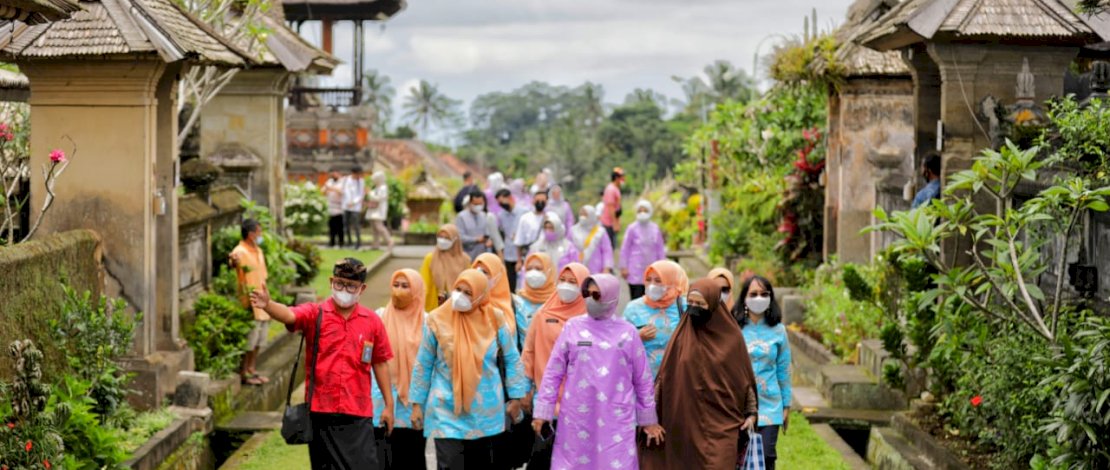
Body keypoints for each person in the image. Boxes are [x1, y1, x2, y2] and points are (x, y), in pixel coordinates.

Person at [249, 258, 395, 469]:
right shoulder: (315, 313)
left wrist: (389, 405)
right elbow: (290, 315)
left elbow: (380, 362)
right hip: (322, 410)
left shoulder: (372, 321)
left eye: (351, 286)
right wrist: (269, 305)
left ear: (362, 288)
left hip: (358, 410)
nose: (344, 290)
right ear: (331, 282)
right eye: (339, 283)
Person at [532, 273, 664, 469]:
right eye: (586, 294)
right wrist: (543, 411)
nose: (590, 300)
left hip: (616, 418)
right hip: (577, 416)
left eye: (596, 295)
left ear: (611, 297)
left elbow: (642, 379)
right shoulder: (572, 327)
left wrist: (648, 420)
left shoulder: (628, 332)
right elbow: (553, 372)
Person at [410, 270, 531, 470]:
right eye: (458, 289)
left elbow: (512, 359)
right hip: (446, 409)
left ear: (481, 295)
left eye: (468, 293)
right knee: (449, 465)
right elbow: (423, 363)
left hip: (485, 412)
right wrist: (416, 404)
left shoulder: (494, 318)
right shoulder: (436, 319)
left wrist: (516, 397)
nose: (460, 296)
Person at [639, 278, 758, 470]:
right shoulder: (681, 337)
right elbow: (664, 378)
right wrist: (650, 418)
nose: (694, 308)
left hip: (723, 424)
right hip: (685, 425)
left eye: (700, 304)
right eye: (691, 303)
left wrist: (751, 413)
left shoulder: (732, 338)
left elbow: (743, 378)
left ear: (713, 305)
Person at [735, 275, 793, 470]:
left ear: (770, 297)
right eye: (753, 294)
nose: (758, 298)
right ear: (744, 298)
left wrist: (786, 405)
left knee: (766, 457)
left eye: (763, 294)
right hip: (740, 404)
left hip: (770, 406)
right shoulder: (735, 329)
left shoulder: (779, 331)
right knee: (741, 458)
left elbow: (784, 369)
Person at [373, 269, 428, 469]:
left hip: (413, 403)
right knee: (381, 458)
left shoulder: (427, 322)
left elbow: (429, 365)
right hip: (381, 399)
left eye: (405, 286)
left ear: (417, 290)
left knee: (411, 457)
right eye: (396, 285)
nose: (399, 291)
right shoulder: (379, 317)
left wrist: (419, 404)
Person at [622, 260, 688, 379]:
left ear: (672, 282)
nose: (652, 285)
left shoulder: (684, 307)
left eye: (658, 281)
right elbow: (619, 342)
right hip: (643, 378)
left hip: (677, 378)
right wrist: (637, 336)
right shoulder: (633, 308)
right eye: (648, 280)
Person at [230, 219, 269, 386]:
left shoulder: (258, 251)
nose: (261, 235)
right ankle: (244, 372)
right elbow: (233, 262)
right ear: (251, 234)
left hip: (262, 301)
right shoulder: (240, 251)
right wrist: (233, 261)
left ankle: (252, 369)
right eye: (259, 232)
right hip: (249, 301)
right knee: (250, 341)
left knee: (260, 340)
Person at [620, 200, 667, 300]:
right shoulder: (632, 228)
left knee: (651, 300)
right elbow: (625, 248)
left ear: (650, 211)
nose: (642, 213)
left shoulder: (655, 228)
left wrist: (663, 268)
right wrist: (624, 267)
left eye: (645, 211)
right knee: (636, 299)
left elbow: (660, 249)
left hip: (652, 270)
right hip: (635, 270)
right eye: (640, 211)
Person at [420, 224, 472, 308]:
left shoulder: (465, 260)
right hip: (434, 306)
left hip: (457, 306)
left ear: (455, 240)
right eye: (440, 237)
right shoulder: (431, 258)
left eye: (447, 238)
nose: (442, 240)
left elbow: (470, 283)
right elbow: (423, 284)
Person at [513, 253, 557, 347]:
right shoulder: (517, 301)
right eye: (529, 269)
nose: (533, 273)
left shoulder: (558, 301)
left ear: (549, 271)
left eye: (538, 269)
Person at [472, 252, 519, 339]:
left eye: (485, 272)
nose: (479, 274)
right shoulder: (469, 301)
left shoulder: (515, 304)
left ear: (498, 277)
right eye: (475, 270)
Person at [496, 189, 530, 291]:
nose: (501, 205)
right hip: (509, 253)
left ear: (510, 198)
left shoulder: (524, 212)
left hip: (522, 253)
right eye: (499, 203)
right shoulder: (501, 215)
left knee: (523, 284)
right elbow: (501, 232)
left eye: (502, 202)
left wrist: (521, 236)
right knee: (510, 283)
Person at [569, 205, 614, 275]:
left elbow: (607, 250)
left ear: (592, 216)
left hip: (596, 269)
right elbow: (568, 248)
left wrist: (607, 267)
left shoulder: (600, 232)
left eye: (585, 214)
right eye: (581, 214)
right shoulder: (573, 230)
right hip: (576, 268)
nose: (582, 217)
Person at [456, 190, 496, 260]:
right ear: (470, 203)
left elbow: (487, 234)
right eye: (476, 204)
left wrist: (489, 241)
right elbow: (460, 237)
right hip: (468, 256)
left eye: (480, 204)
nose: (478, 206)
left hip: (482, 257)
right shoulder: (461, 217)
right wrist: (476, 240)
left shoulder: (483, 215)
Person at [512, 190, 549, 263]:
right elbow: (519, 241)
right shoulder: (525, 218)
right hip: (531, 255)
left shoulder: (551, 217)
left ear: (547, 202)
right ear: (533, 201)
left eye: (542, 200)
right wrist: (519, 261)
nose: (540, 202)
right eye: (537, 200)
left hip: (547, 255)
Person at [367, 171, 393, 252]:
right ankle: (376, 244)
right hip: (373, 209)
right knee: (374, 228)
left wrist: (370, 193)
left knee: (379, 227)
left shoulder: (383, 188)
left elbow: (379, 198)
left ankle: (389, 241)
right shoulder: (376, 188)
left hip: (379, 210)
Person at [343, 166, 367, 249]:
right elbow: (346, 192)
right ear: (353, 173)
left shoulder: (361, 181)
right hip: (346, 205)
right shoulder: (347, 180)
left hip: (356, 206)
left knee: (356, 224)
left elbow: (361, 194)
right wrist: (348, 202)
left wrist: (354, 202)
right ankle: (349, 242)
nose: (359, 176)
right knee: (346, 225)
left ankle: (358, 242)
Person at [600, 167, 625, 249]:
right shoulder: (611, 189)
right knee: (609, 247)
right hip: (608, 224)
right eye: (622, 177)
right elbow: (611, 207)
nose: (623, 179)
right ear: (617, 178)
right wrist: (615, 224)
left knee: (613, 246)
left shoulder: (615, 188)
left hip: (612, 223)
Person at [323, 169, 346, 247]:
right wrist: (327, 190)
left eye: (335, 173)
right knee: (331, 227)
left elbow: (342, 192)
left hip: (339, 207)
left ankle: (341, 243)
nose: (333, 175)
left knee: (340, 227)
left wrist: (332, 188)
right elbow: (323, 191)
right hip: (330, 206)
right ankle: (331, 242)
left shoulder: (343, 182)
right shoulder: (329, 181)